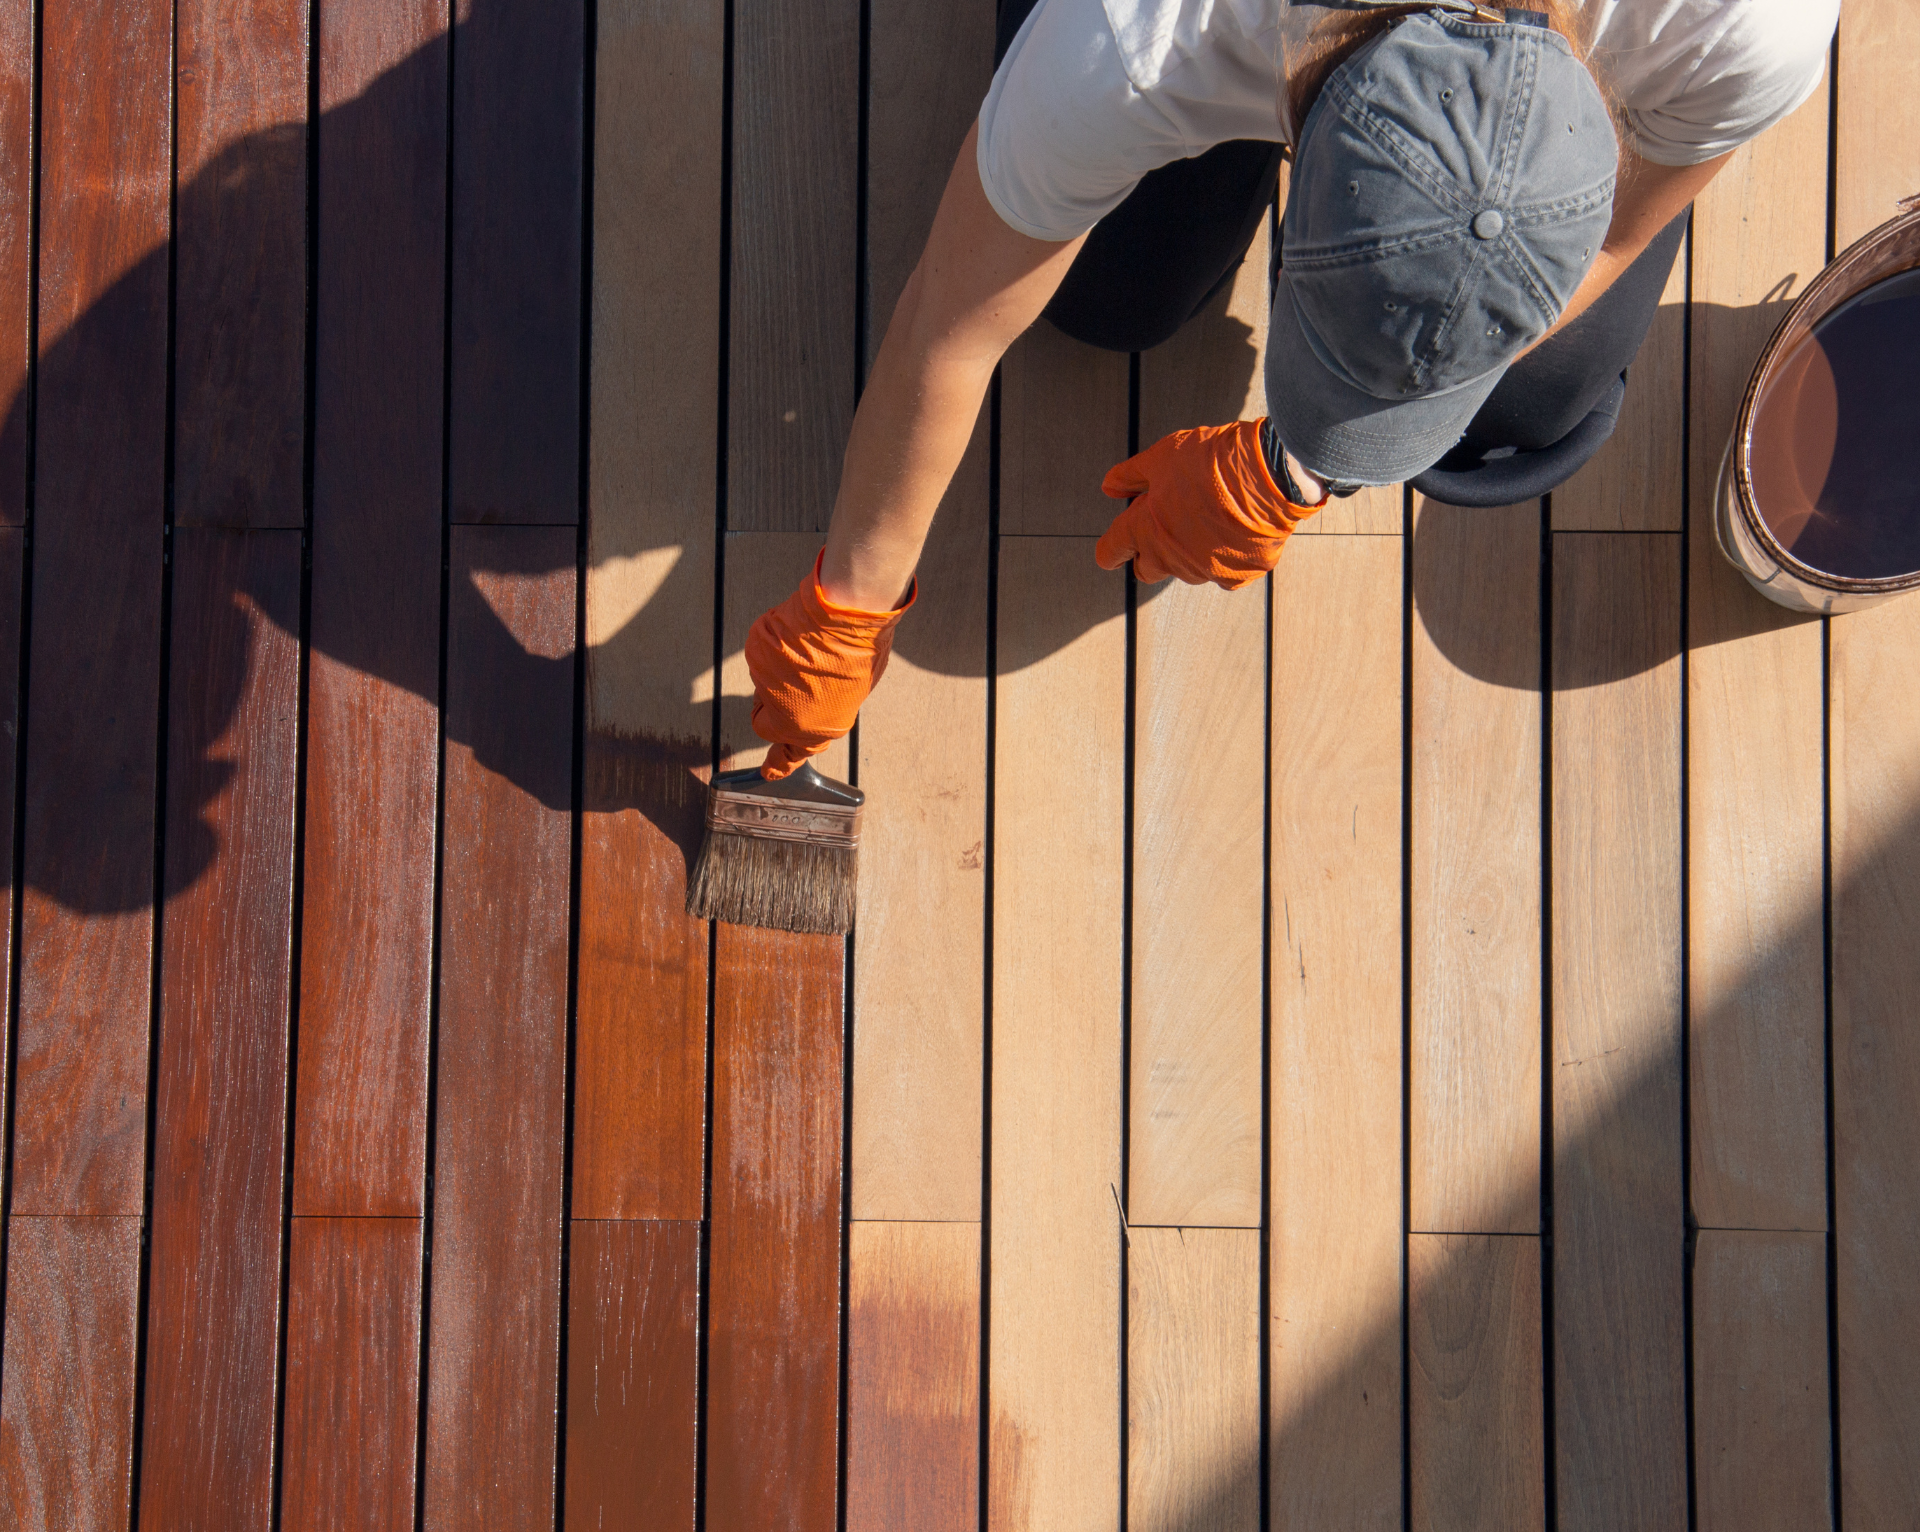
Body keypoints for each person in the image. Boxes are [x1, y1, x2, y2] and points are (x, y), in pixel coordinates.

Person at [743, 0, 1840, 783]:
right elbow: (952, 314)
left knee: (1523, 415)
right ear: (1304, 140)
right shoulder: (1137, 38)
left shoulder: (1752, 22)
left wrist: (1295, 463)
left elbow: (1623, 229)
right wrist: (847, 603)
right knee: (1108, 298)